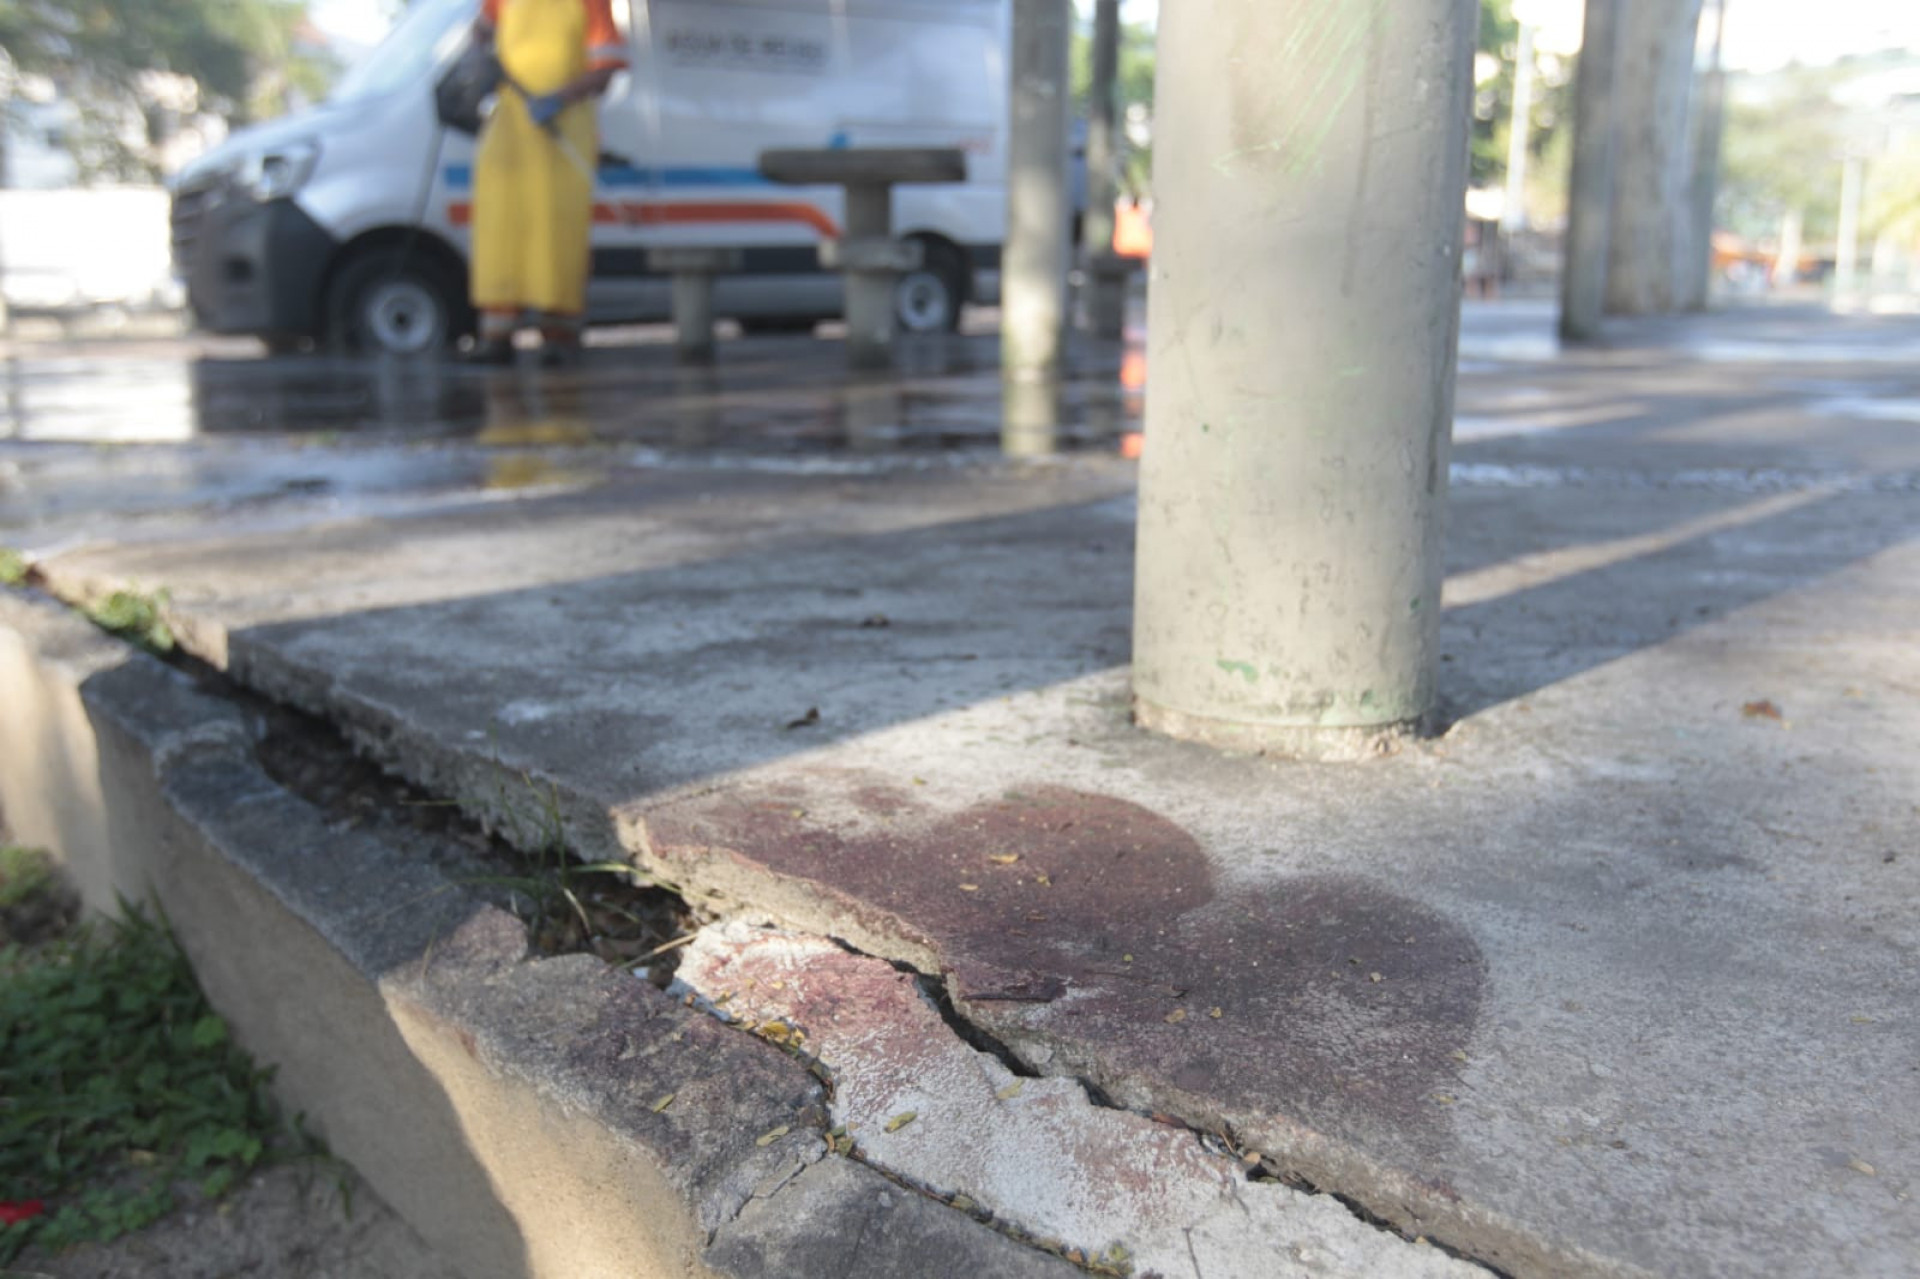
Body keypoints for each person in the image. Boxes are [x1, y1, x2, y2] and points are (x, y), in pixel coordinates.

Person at [467, 0, 628, 366]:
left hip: (563, 129)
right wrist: (479, 55)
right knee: (500, 229)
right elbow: (481, 30)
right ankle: (496, 335)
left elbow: (606, 68)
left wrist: (560, 97)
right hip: (510, 126)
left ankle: (559, 336)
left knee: (556, 232)